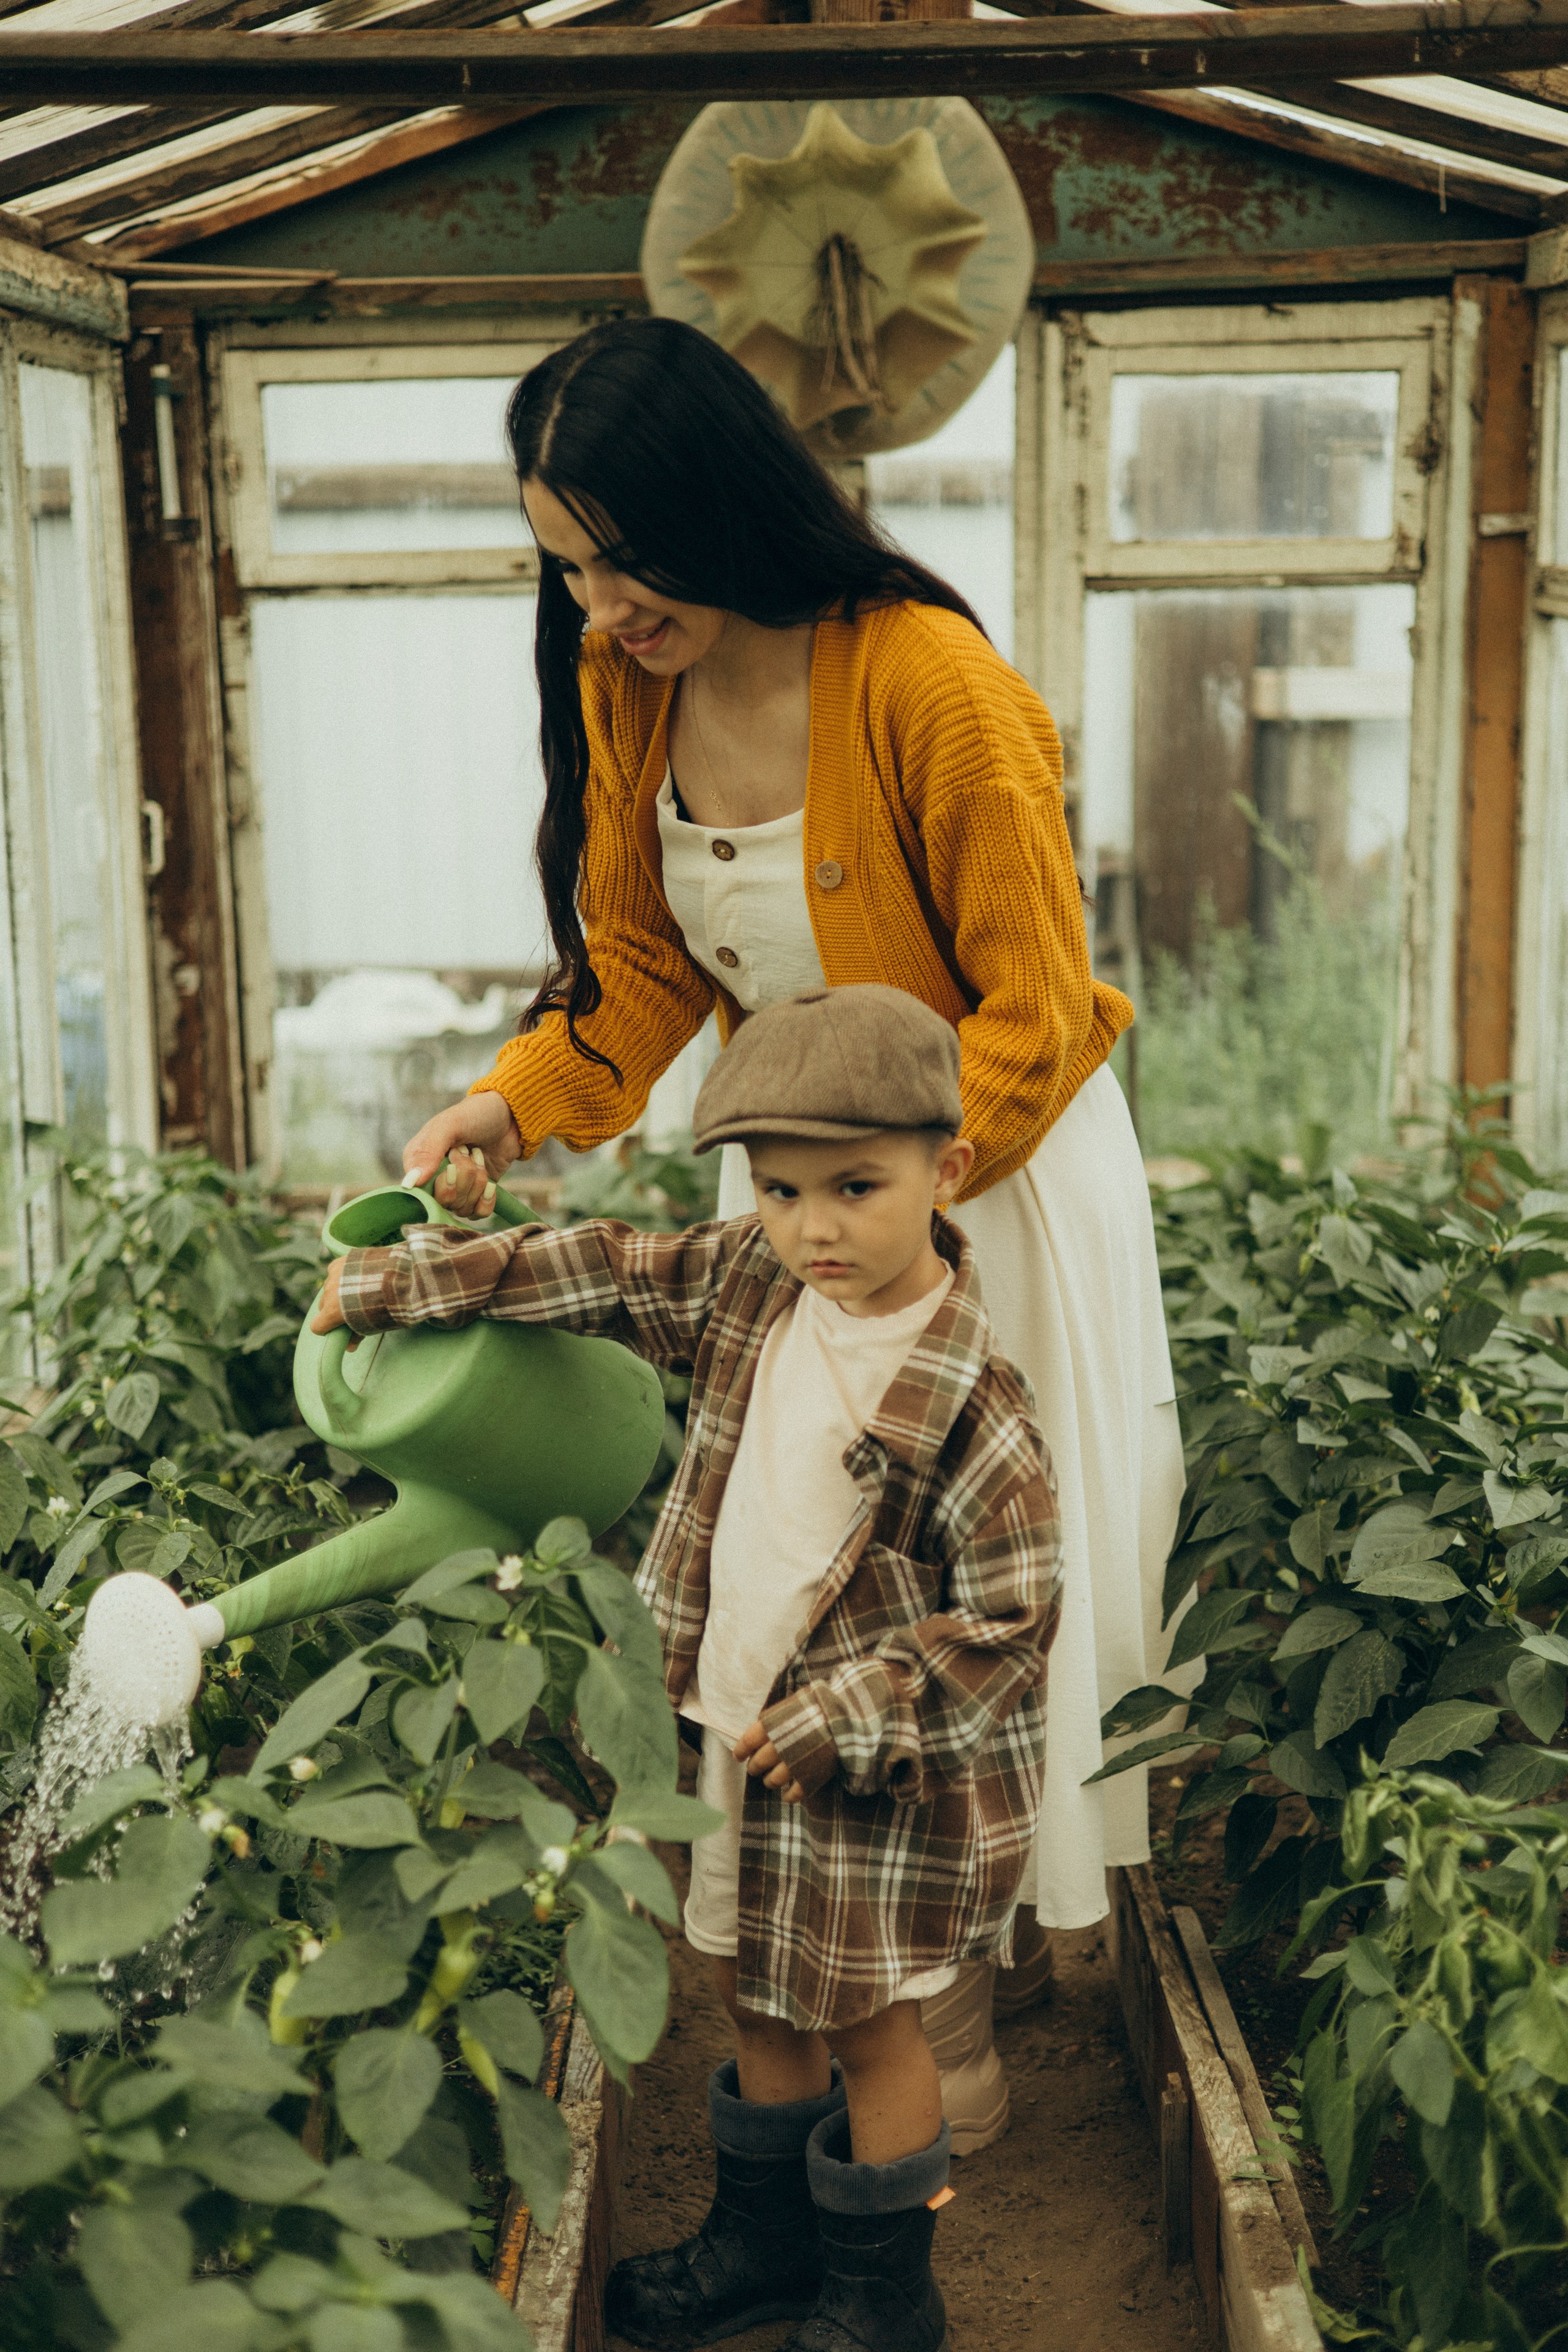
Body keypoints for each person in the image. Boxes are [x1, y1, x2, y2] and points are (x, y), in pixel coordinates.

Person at [401, 314, 1188, 2149]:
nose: (600, 605)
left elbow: (1040, 1010)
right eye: (566, 566)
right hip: (806, 1208)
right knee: (805, 1590)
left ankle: (955, 2018)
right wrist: (508, 1105)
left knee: (943, 1589)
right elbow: (646, 976)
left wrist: (897, 1218)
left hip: (979, 1190)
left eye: (625, 558)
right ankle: (855, 2012)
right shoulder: (634, 691)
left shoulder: (930, 684)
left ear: (725, 508)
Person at [314, 986, 1060, 2352]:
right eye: (778, 1190)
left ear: (944, 1171)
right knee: (745, 1987)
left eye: (853, 1187)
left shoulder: (969, 1394)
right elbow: (595, 1269)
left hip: (853, 1774)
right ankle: (768, 2249)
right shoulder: (749, 1281)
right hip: (724, 1727)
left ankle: (883, 2294)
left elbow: (1010, 1618)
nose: (813, 1228)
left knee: (871, 2026)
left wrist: (853, 1709)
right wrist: (393, 1279)